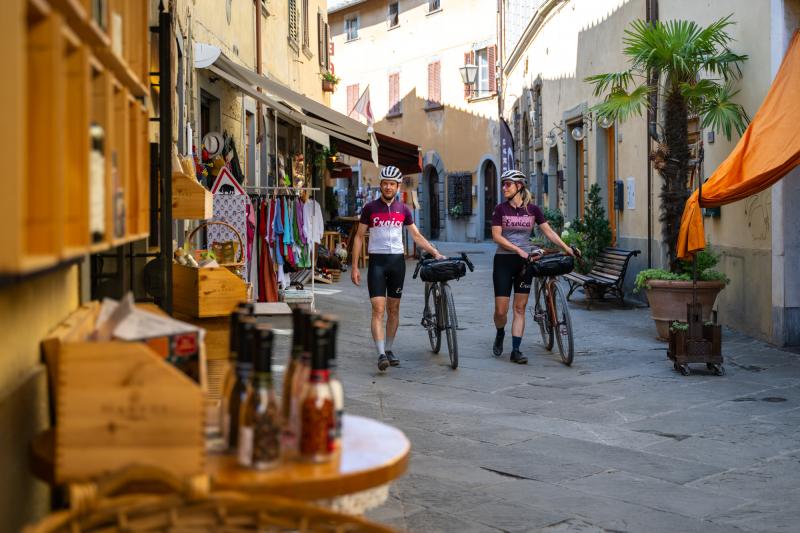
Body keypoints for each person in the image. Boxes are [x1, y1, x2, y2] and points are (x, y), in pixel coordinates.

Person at [351, 166, 445, 371]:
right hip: (377, 262)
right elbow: (359, 237)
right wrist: (355, 267)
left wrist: (435, 252)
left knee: (394, 309)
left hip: (397, 263)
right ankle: (381, 353)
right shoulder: (370, 208)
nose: (387, 187)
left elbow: (416, 236)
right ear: (381, 184)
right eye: (384, 183)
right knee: (378, 308)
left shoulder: (404, 210)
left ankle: (390, 348)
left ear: (397, 186)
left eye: (391, 184)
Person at [491, 169, 575, 364]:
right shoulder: (500, 209)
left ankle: (516, 350)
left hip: (526, 263)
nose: (504, 187)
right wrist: (518, 250)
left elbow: (549, 232)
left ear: (519, 186)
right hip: (504, 261)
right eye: (503, 184)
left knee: (519, 308)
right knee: (501, 311)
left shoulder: (533, 210)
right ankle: (500, 331)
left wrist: (566, 247)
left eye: (508, 184)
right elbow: (497, 236)